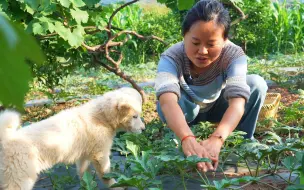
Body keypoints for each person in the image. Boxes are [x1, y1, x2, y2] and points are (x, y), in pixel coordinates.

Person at [154, 0, 268, 172]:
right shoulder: (171, 57)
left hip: (216, 106)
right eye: (195, 42)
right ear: (184, 36)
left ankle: (243, 141)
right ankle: (180, 139)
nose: (203, 51)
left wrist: (218, 138)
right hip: (186, 110)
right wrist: (187, 138)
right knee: (171, 103)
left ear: (224, 40)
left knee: (256, 84)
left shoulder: (233, 55)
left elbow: (237, 103)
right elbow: (168, 102)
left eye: (211, 44)